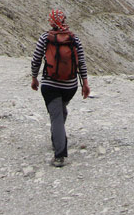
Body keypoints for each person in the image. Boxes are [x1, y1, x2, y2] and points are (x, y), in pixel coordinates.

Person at [30, 9, 90, 167]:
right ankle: (58, 140)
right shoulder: (74, 38)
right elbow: (81, 62)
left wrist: (34, 77)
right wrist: (85, 83)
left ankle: (59, 155)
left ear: (51, 21)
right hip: (70, 86)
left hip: (50, 84)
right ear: (63, 20)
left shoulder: (45, 37)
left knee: (56, 116)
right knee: (61, 112)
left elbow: (36, 59)